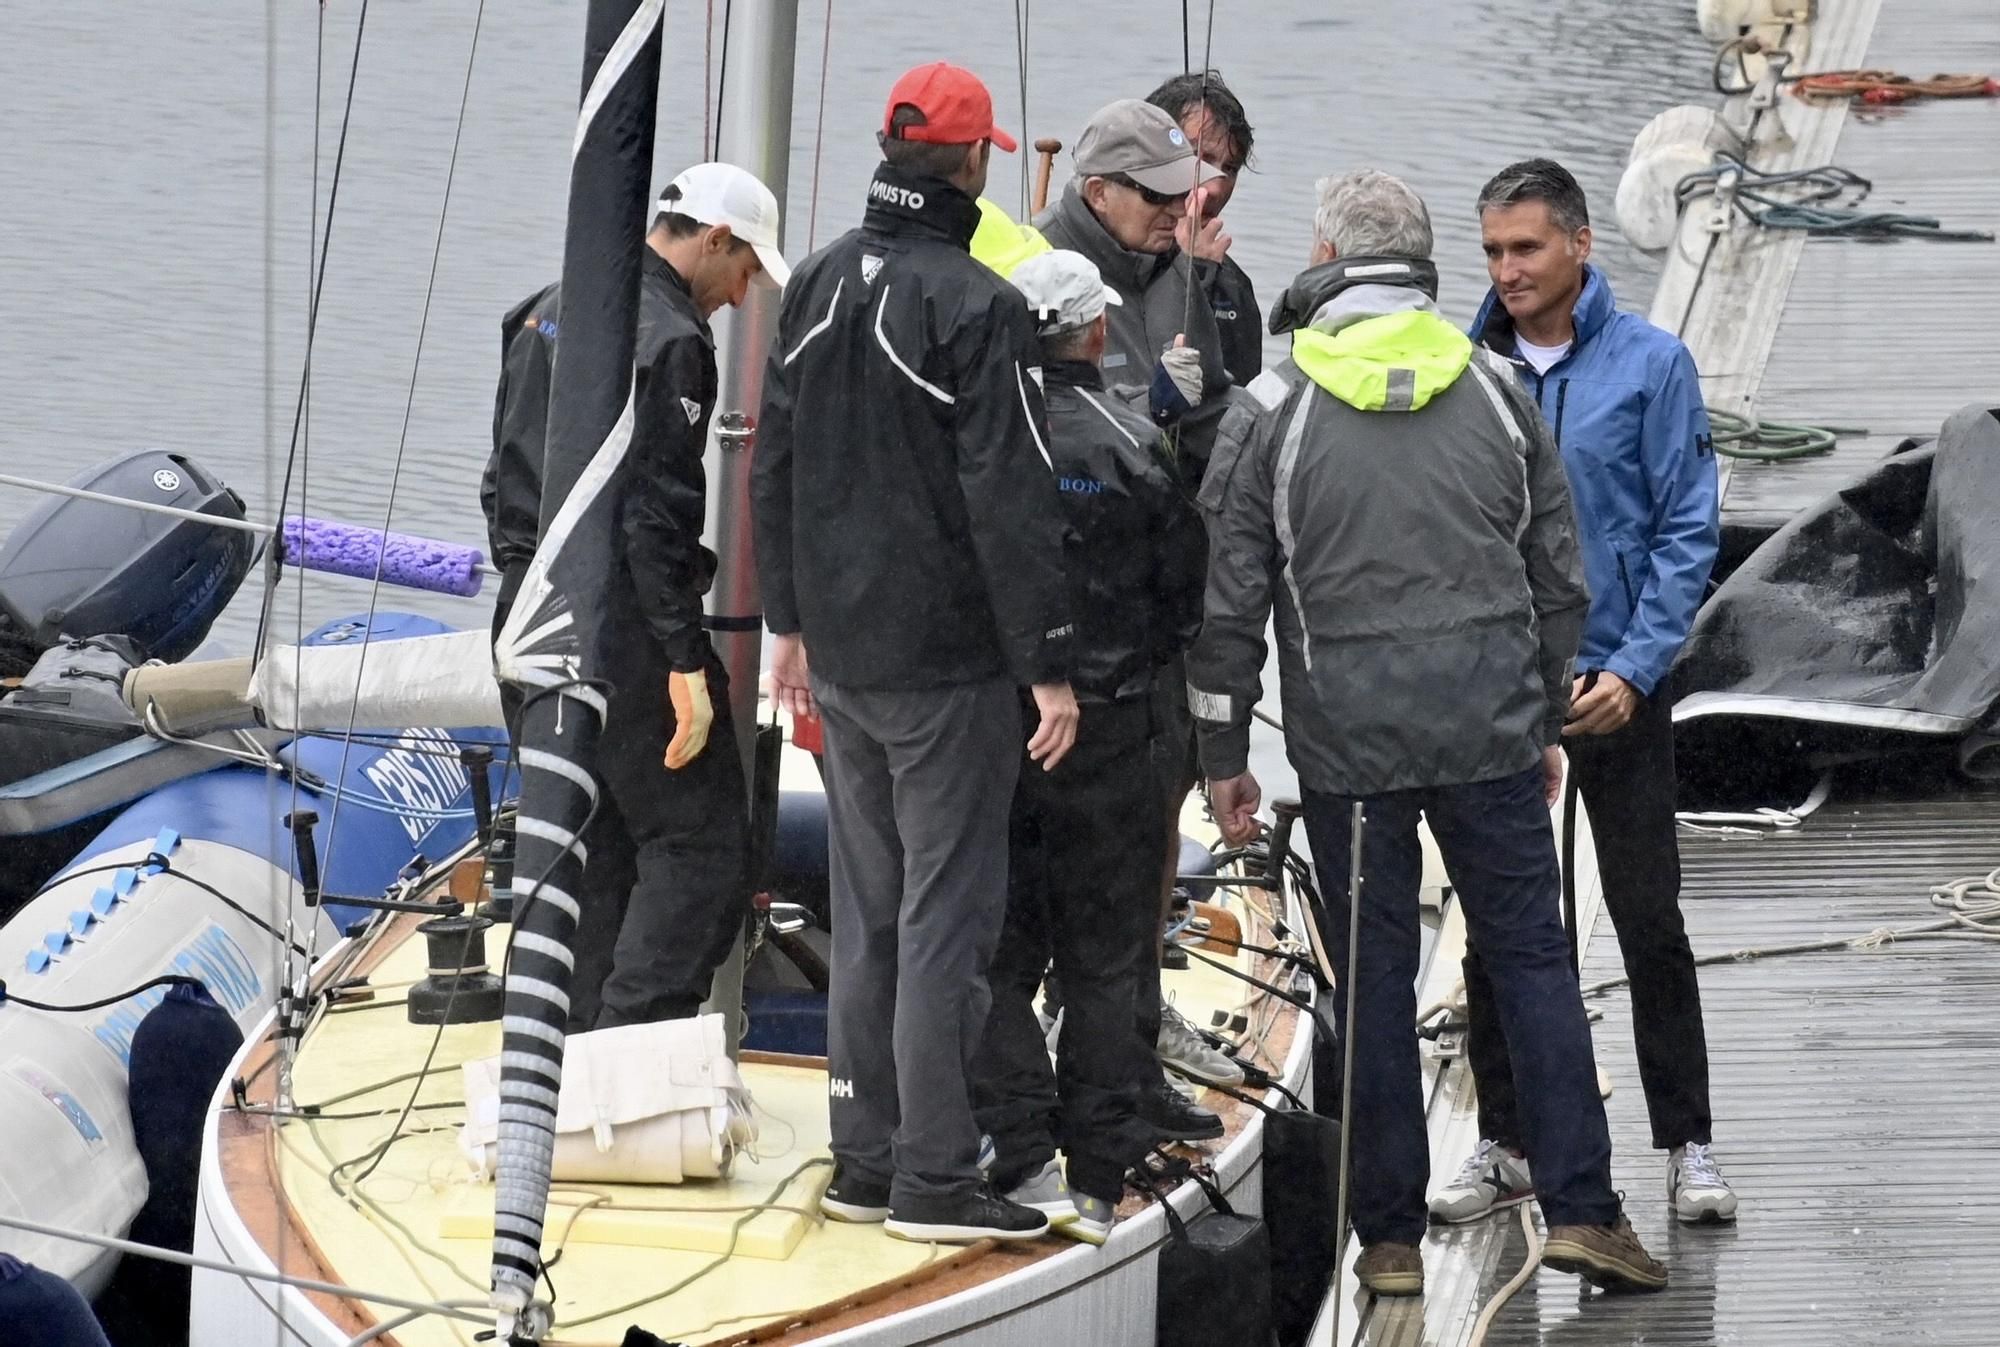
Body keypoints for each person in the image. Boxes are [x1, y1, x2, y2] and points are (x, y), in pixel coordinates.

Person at [1187, 169, 1668, 1297]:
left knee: (1374, 980)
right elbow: (1560, 580)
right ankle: (1584, 1212)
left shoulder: (1270, 409)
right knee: (1534, 964)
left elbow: (1228, 616)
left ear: (1326, 257)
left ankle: (1391, 1240)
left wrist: (1218, 761)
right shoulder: (1500, 391)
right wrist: (1543, 705)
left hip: (1349, 755)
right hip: (1492, 740)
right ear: (1419, 263)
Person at [750, 61, 1078, 1246]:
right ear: (978, 160)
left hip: (838, 658)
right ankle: (937, 1182)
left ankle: (862, 1158)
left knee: (871, 912)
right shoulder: (980, 304)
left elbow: (771, 463)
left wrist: (783, 629)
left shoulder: (820, 280)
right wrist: (1046, 664)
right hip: (943, 672)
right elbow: (1010, 498)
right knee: (946, 920)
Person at [1434, 156, 1733, 1226]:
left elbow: (1683, 532)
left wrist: (1632, 670)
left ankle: (1687, 1141)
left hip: (1621, 687)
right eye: (1490, 252)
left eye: (1523, 248)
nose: (1505, 270)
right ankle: (1506, 1141)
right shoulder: (1461, 371)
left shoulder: (1653, 366)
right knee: (1496, 929)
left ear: (1577, 246)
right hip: (1501, 699)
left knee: (1648, 915)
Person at [479, 162, 786, 1031]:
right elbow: (651, 524)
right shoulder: (674, 343)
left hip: (525, 610)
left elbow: (501, 476)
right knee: (700, 845)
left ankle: (567, 1059)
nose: (743, 292)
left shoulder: (544, 306)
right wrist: (686, 660)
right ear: (715, 240)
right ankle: (634, 1045)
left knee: (598, 841)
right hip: (620, 631)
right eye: (745, 268)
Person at [968, 250, 1208, 1246]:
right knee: (1105, 959)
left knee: (994, 947)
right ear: (1094, 332)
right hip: (1110, 729)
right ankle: (1098, 1169)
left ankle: (1015, 1139)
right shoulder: (1134, 441)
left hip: (999, 732)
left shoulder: (977, 437)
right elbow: (1180, 602)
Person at [1038, 95, 1246, 1117]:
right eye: (1159, 198)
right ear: (1095, 194)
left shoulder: (1173, 271)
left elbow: (1204, 409)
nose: (1182, 211)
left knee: (1146, 840)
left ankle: (1125, 1054)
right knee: (1061, 866)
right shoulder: (1044, 277)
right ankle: (1049, 1071)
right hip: (1071, 634)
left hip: (1161, 617)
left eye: (1189, 192)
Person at [1146, 71, 1262, 385]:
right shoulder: (1099, 254)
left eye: (1230, 168)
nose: (1216, 187)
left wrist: (1201, 274)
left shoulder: (1233, 286)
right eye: (1203, 159)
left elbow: (1239, 407)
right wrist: (1187, 270)